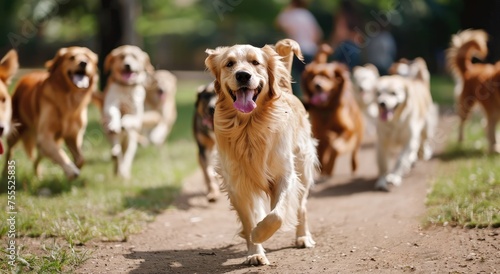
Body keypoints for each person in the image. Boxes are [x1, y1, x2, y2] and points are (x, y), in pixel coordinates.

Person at [276, 0, 323, 99]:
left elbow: (278, 23)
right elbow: (318, 34)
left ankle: (298, 99)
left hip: (296, 51)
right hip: (310, 51)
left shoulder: (289, 15)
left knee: (294, 80)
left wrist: (287, 8)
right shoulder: (307, 15)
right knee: (308, 79)